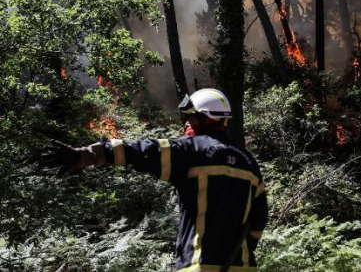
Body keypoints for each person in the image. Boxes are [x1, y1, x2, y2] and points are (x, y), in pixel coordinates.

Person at [42, 88, 268, 272]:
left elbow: (141, 151)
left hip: (198, 265)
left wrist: (86, 155)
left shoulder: (190, 151)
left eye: (190, 117)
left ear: (204, 118)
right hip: (243, 267)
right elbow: (259, 221)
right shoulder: (248, 162)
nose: (186, 123)